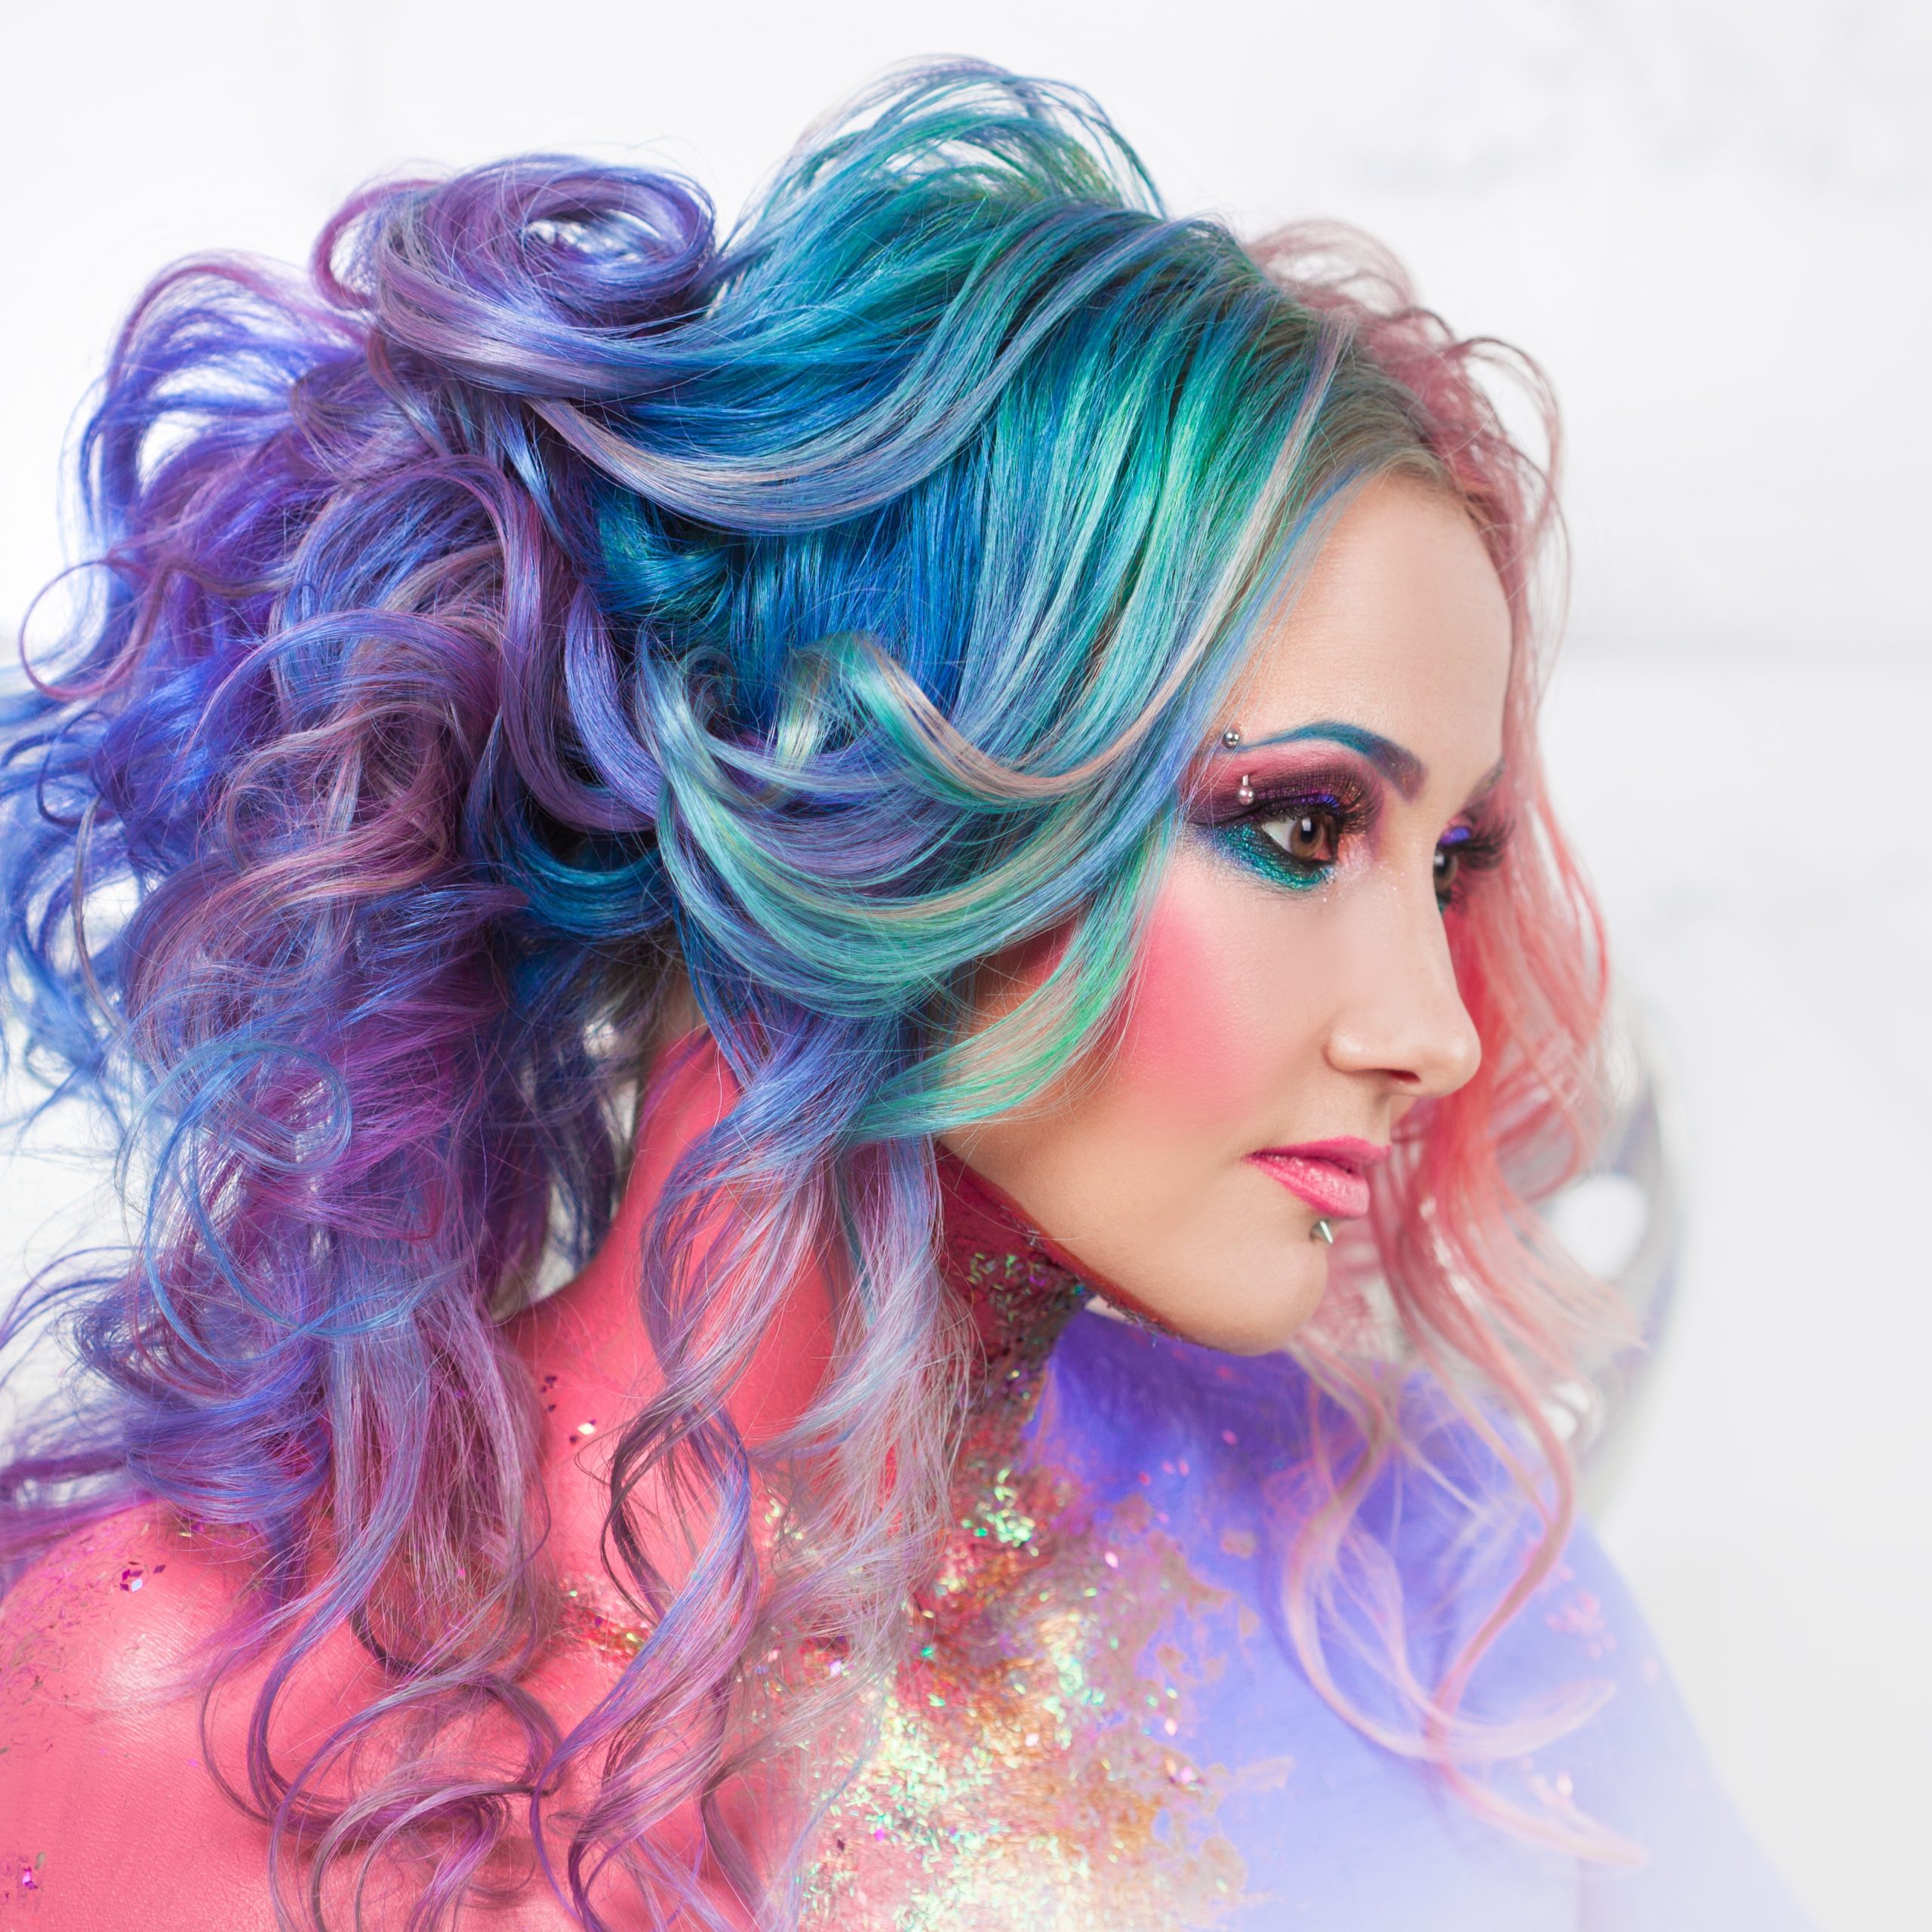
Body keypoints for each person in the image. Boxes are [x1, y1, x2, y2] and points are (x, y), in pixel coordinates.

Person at [0, 61, 1812, 1932]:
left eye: (1448, 863)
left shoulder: (1421, 1584)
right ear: (857, 785)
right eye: (1298, 824)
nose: (1433, 1030)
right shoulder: (177, 1700)